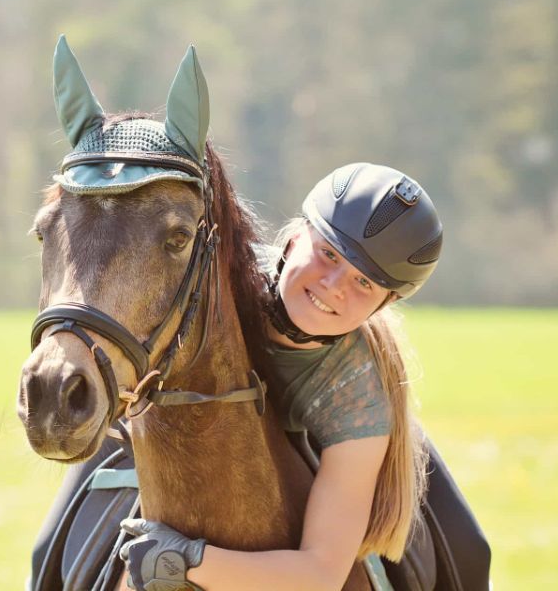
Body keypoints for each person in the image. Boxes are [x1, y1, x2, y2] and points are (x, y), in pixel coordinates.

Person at [117, 162, 446, 590]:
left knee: (468, 545)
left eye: (364, 282)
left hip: (316, 445)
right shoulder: (214, 283)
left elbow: (321, 575)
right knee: (51, 541)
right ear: (294, 237)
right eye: (328, 253)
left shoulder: (360, 395)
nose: (333, 285)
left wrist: (186, 559)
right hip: (173, 431)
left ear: (383, 305)